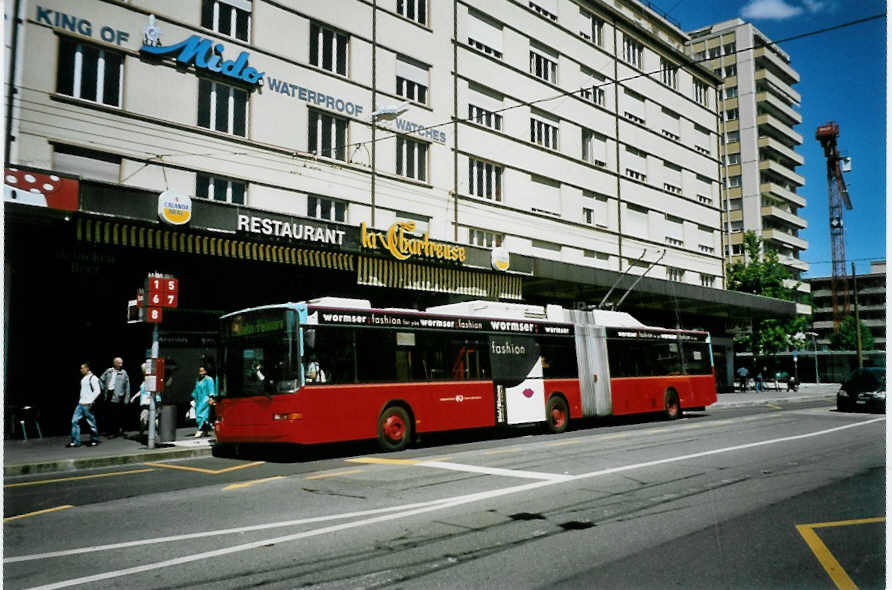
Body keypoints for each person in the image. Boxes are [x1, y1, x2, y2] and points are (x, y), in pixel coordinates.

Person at [67, 363, 101, 448]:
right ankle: (76, 441)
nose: (81, 370)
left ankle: (94, 439)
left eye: (82, 368)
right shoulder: (84, 378)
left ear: (87, 368)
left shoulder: (93, 378)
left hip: (88, 404)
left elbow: (97, 391)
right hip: (81, 403)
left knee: (91, 422)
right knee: (74, 421)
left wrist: (91, 401)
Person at [100, 357, 130, 437]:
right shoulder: (109, 371)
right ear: (115, 363)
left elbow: (127, 386)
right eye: (119, 363)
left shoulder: (123, 373)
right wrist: (104, 389)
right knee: (108, 414)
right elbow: (101, 379)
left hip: (118, 395)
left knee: (115, 414)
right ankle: (110, 430)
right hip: (108, 394)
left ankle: (115, 432)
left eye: (122, 363)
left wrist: (127, 397)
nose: (121, 364)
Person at [130, 363, 160, 437]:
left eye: (143, 369)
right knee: (148, 418)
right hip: (146, 402)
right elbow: (142, 390)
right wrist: (134, 396)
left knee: (148, 418)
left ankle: (149, 433)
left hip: (151, 401)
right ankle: (150, 433)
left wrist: (152, 395)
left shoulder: (152, 378)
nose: (142, 371)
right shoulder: (145, 379)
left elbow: (156, 389)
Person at [190, 365, 216, 437]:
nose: (200, 373)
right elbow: (196, 389)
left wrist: (211, 398)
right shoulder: (197, 379)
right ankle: (205, 430)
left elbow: (211, 389)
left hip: (206, 400)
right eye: (200, 371)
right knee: (198, 414)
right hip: (199, 400)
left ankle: (200, 429)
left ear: (206, 371)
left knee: (204, 415)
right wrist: (193, 397)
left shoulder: (209, 379)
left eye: (202, 371)